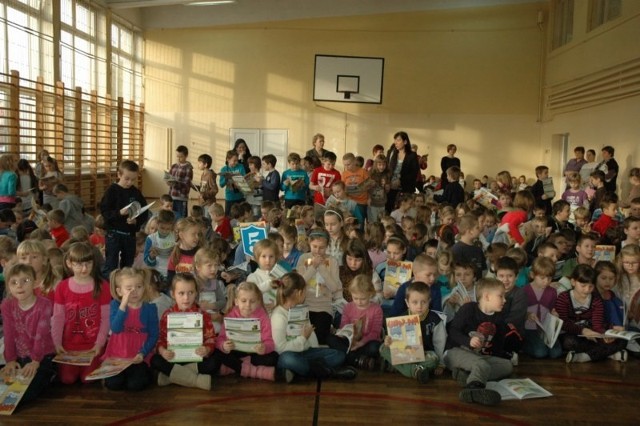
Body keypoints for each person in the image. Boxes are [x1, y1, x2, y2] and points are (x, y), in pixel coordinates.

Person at [444, 278, 520, 406]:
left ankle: (468, 375)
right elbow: (453, 331)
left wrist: (504, 355)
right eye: (501, 296)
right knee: (482, 365)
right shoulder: (468, 309)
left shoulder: (499, 316)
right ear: (487, 296)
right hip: (455, 351)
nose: (504, 300)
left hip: (478, 356)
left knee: (507, 366)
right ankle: (473, 390)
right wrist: (468, 341)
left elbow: (498, 343)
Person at [270, 272, 356, 382]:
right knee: (287, 360)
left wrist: (316, 349)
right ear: (299, 293)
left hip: (307, 352)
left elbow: (311, 335)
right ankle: (329, 372)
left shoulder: (301, 309)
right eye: (305, 291)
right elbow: (280, 348)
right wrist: (302, 338)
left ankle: (302, 373)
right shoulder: (278, 315)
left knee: (338, 355)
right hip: (289, 354)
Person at [52, 242, 111, 384]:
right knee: (67, 379)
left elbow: (106, 318)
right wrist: (57, 342)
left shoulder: (102, 286)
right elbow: (58, 317)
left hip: (92, 346)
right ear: (69, 263)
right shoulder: (62, 287)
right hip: (69, 346)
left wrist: (99, 344)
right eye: (79, 264)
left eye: (88, 263)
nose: (84, 268)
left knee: (87, 380)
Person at [1, 263, 56, 406]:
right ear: (8, 286)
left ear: (35, 282)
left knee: (22, 397)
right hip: (20, 356)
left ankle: (50, 374)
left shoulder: (44, 305)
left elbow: (41, 335)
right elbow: (8, 333)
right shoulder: (7, 305)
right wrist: (10, 360)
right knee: (7, 383)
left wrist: (36, 361)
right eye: (14, 282)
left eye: (25, 281)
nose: (19, 286)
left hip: (42, 356)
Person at [151, 273, 217, 390]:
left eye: (190, 293)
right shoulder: (167, 315)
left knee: (214, 362)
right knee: (155, 360)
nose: (186, 298)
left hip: (195, 357)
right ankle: (196, 381)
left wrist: (206, 349)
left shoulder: (203, 314)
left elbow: (210, 338)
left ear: (196, 293)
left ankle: (171, 377)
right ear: (173, 294)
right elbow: (161, 338)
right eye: (181, 293)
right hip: (174, 358)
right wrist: (162, 351)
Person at [102, 268, 158, 391]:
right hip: (118, 354)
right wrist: (123, 305)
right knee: (113, 385)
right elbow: (115, 328)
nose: (134, 292)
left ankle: (146, 373)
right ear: (119, 291)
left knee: (135, 385)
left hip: (139, 355)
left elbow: (154, 335)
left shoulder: (150, 308)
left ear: (144, 288)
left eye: (138, 286)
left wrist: (143, 352)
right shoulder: (115, 305)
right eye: (129, 289)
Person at [557, 264, 627, 363]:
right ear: (573, 282)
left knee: (622, 341)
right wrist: (583, 331)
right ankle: (610, 353)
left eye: (591, 286)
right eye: (583, 285)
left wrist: (609, 331)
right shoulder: (563, 298)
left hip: (592, 334)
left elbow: (597, 325)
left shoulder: (596, 299)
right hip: (572, 333)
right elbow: (564, 323)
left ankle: (584, 357)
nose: (587, 290)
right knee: (569, 342)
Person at [381, 281, 446, 384]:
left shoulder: (435, 320)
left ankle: (401, 368)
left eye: (423, 302)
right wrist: (389, 341)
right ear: (407, 303)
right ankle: (416, 370)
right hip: (405, 353)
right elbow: (395, 342)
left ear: (429, 301)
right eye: (415, 302)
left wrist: (440, 364)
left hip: (426, 354)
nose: (419, 306)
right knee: (383, 348)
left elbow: (440, 343)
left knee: (434, 359)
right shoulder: (401, 319)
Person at [214, 282, 279, 381]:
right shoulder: (230, 316)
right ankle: (252, 371)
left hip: (254, 353)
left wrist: (264, 348)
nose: (248, 305)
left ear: (258, 302)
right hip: (236, 351)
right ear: (236, 301)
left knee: (274, 357)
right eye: (243, 301)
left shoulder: (263, 316)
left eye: (252, 301)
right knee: (217, 352)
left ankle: (233, 367)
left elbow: (269, 342)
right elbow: (219, 340)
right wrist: (224, 346)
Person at [99, 160, 149, 277]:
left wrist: (136, 220)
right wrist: (119, 213)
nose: (129, 182)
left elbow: (144, 211)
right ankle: (109, 290)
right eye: (127, 178)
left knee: (127, 265)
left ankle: (125, 286)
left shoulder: (135, 192)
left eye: (133, 179)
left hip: (129, 235)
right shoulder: (112, 190)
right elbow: (105, 212)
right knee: (111, 264)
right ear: (119, 175)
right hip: (114, 234)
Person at [327, 274, 382, 371]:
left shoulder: (376, 309)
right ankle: (357, 360)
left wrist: (361, 343)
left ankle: (349, 358)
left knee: (375, 347)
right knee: (330, 339)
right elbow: (344, 326)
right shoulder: (348, 307)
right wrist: (343, 335)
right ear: (351, 294)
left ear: (370, 294)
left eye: (363, 299)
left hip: (366, 343)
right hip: (350, 342)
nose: (359, 302)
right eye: (355, 298)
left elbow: (375, 332)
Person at [296, 230, 342, 345]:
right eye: (314, 246)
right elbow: (299, 283)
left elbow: (334, 288)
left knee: (319, 338)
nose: (317, 250)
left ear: (327, 246)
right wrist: (313, 267)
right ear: (309, 244)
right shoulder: (303, 258)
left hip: (323, 307)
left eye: (321, 247)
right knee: (303, 337)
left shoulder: (332, 261)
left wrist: (322, 268)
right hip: (304, 305)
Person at [522, 257, 562, 359]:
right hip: (529, 329)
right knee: (540, 353)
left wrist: (555, 314)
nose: (546, 282)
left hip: (546, 329)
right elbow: (519, 311)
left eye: (549, 278)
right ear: (532, 275)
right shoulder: (524, 290)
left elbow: (553, 309)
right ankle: (523, 346)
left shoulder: (552, 292)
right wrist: (527, 315)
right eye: (542, 278)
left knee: (556, 353)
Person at [339, 239, 382, 304]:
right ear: (345, 257)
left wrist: (367, 302)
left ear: (364, 259)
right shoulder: (339, 271)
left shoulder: (371, 273)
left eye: (358, 260)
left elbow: (380, 298)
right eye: (349, 259)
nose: (353, 263)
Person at [386, 131, 419, 213]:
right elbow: (387, 169)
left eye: (398, 140)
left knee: (403, 212)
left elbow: (414, 173)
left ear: (405, 142)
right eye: (395, 140)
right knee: (389, 211)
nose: (395, 142)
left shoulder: (412, 155)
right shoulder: (391, 153)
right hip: (390, 187)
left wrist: (400, 181)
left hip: (405, 188)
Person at [143, 209, 177, 284]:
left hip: (171, 272)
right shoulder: (151, 239)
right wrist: (151, 257)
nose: (165, 231)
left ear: (172, 226)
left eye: (168, 229)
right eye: (162, 228)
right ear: (157, 224)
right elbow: (146, 261)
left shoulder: (175, 237)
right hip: (156, 272)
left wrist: (175, 253)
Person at [166, 217, 201, 284]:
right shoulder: (174, 255)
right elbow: (170, 277)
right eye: (193, 234)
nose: (197, 237)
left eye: (198, 234)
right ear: (181, 235)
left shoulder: (200, 253)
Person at [451, 214, 485, 280]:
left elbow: (483, 269)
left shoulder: (478, 249)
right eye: (477, 228)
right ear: (470, 231)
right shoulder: (457, 250)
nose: (479, 230)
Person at [219, 149, 246, 217]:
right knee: (229, 217)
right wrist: (226, 178)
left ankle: (239, 228)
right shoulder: (224, 169)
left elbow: (244, 180)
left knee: (241, 216)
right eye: (234, 160)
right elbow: (221, 185)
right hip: (230, 197)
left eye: (237, 160)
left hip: (240, 196)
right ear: (228, 159)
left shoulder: (240, 166)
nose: (236, 162)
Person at [368, 154, 391, 223]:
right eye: (379, 165)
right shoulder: (371, 174)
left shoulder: (386, 175)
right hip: (373, 203)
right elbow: (367, 188)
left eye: (384, 165)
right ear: (375, 165)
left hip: (382, 203)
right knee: (373, 222)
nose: (382, 167)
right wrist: (368, 198)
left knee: (381, 222)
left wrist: (387, 188)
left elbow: (387, 191)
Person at [196, 153, 218, 219]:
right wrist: (194, 186)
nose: (198, 164)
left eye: (200, 163)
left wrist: (205, 195)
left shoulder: (210, 175)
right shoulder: (203, 174)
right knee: (202, 221)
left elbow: (215, 190)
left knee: (207, 222)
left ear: (205, 165)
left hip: (208, 204)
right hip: (202, 203)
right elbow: (204, 188)